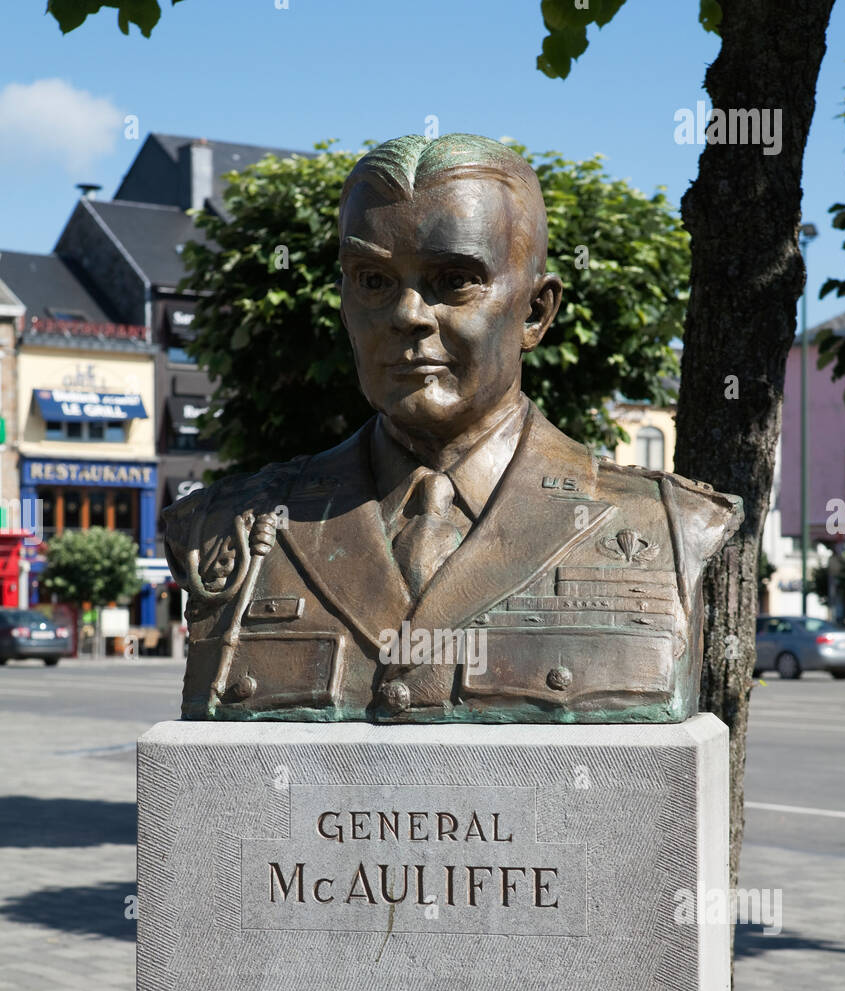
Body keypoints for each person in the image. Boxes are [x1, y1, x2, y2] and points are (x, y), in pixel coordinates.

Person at [164, 133, 741, 722]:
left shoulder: (666, 527)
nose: (407, 315)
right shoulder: (227, 529)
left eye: (455, 280)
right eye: (372, 280)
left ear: (536, 313)